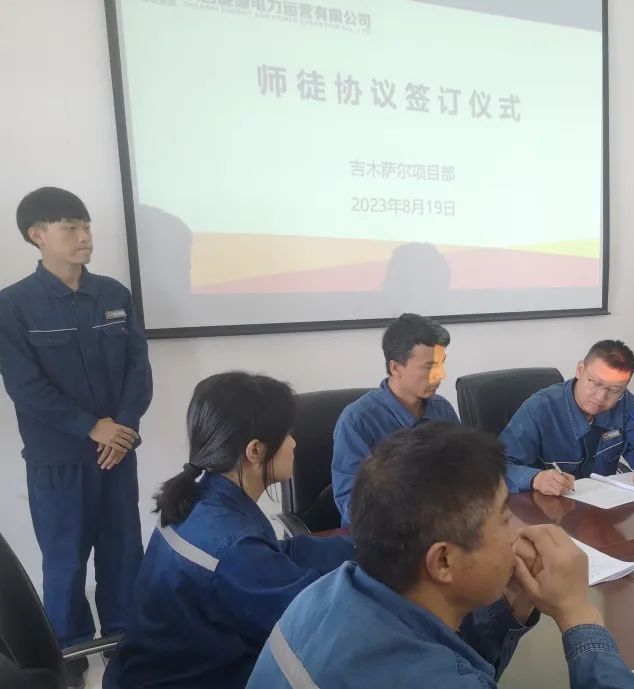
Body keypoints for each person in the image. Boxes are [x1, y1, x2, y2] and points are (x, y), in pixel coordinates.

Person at [247, 423, 634, 689]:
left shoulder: (322, 595)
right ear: (442, 562)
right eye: (505, 518)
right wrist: (578, 615)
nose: (517, 533)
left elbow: (453, 665)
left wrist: (513, 602)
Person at [104, 372, 356, 689]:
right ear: (255, 451)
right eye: (287, 434)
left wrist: (363, 549)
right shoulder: (233, 545)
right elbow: (318, 619)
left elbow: (276, 555)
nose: (294, 443)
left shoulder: (201, 499)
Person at [0, 188, 152, 688]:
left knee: (123, 552)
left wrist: (122, 428)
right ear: (37, 235)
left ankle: (126, 640)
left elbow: (137, 369)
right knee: (65, 560)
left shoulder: (113, 295)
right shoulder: (13, 306)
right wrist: (92, 426)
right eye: (71, 227)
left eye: (86, 226)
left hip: (118, 453)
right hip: (58, 460)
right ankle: (68, 650)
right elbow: (25, 387)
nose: (85, 236)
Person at [331, 312, 458, 524]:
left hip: (442, 526)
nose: (441, 375)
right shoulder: (357, 421)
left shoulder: (442, 409)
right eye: (429, 367)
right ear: (395, 367)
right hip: (386, 534)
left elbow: (464, 471)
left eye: (441, 364)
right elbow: (353, 506)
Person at [501, 340, 634, 495]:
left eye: (614, 390)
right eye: (596, 383)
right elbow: (499, 466)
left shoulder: (624, 403)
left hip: (603, 504)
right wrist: (535, 479)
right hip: (549, 508)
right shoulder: (539, 409)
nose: (601, 397)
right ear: (580, 370)